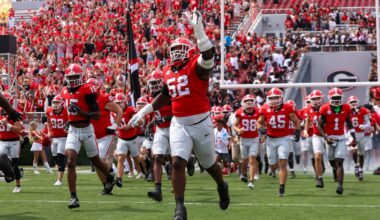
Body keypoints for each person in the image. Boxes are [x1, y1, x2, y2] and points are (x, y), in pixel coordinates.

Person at [129, 9, 230, 220]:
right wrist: (144, 112)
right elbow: (164, 96)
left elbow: (209, 56)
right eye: (174, 49)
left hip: (201, 122)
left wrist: (199, 31)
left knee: (208, 163)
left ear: (191, 51)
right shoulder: (168, 71)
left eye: (181, 49)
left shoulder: (197, 66)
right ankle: (179, 208)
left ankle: (222, 185)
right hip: (179, 123)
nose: (176, 53)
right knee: (177, 163)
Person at [60, 63, 115, 208]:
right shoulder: (64, 91)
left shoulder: (87, 90)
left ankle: (109, 176)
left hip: (87, 129)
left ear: (81, 77)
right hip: (73, 130)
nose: (72, 80)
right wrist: (68, 120)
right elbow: (68, 111)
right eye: (70, 77)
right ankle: (73, 197)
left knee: (96, 161)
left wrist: (81, 113)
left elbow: (96, 115)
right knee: (70, 162)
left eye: (75, 77)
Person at [257, 88, 300, 197]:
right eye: (272, 98)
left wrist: (298, 132)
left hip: (284, 138)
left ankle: (282, 188)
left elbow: (296, 122)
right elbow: (259, 122)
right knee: (273, 165)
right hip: (271, 139)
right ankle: (273, 170)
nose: (274, 100)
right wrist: (261, 129)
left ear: (281, 97)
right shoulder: (265, 108)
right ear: (268, 99)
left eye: (276, 98)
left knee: (282, 163)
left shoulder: (287, 107)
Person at [317, 87, 356, 195]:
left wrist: (354, 137)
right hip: (330, 137)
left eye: (338, 97)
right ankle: (334, 169)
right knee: (332, 160)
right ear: (329, 98)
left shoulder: (346, 107)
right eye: (334, 97)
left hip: (341, 138)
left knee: (339, 161)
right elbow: (319, 126)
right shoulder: (324, 108)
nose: (336, 99)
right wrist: (326, 138)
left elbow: (349, 123)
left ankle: (340, 185)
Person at [87, 78, 123, 193]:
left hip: (105, 135)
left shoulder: (103, 98)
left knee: (100, 159)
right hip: (93, 136)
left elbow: (119, 111)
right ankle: (107, 184)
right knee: (96, 162)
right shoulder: (85, 100)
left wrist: (115, 125)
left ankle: (110, 171)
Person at [146, 70, 173, 202]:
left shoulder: (168, 96)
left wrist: (165, 118)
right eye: (151, 83)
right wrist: (150, 125)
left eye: (156, 83)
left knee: (176, 159)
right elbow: (156, 115)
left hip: (174, 128)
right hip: (160, 130)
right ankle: (158, 190)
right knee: (157, 157)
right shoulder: (151, 98)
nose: (153, 86)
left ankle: (189, 161)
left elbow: (179, 112)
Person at [114, 93, 142, 187]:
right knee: (121, 158)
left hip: (132, 138)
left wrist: (130, 126)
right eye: (116, 103)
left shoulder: (131, 110)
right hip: (121, 138)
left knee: (136, 158)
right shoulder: (114, 110)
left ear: (125, 102)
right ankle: (119, 178)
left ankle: (142, 171)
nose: (118, 105)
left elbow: (140, 121)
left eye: (120, 103)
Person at [233, 94, 260, 189]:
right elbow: (234, 125)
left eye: (250, 101)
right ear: (243, 103)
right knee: (244, 160)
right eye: (247, 102)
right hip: (244, 139)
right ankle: (243, 174)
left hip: (254, 138)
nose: (249, 104)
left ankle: (251, 181)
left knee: (252, 159)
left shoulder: (258, 112)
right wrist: (238, 130)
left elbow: (262, 123)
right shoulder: (239, 113)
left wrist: (262, 129)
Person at [0, 92, 23, 193]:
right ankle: (8, 175)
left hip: (14, 141)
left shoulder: (14, 113)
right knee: (2, 162)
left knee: (15, 164)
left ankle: (18, 185)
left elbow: (18, 129)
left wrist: (7, 125)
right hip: (2, 141)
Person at [304, 90, 326, 188]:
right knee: (317, 157)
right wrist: (305, 129)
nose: (316, 101)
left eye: (318, 98)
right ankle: (319, 177)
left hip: (329, 135)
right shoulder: (309, 109)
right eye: (314, 99)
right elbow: (308, 119)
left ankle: (334, 169)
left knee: (332, 158)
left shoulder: (327, 107)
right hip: (316, 135)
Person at [347, 96, 370, 181]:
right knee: (354, 149)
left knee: (361, 153)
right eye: (351, 102)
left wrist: (364, 126)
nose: (353, 103)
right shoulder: (346, 111)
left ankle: (361, 169)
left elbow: (368, 122)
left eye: (354, 101)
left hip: (360, 134)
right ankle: (356, 165)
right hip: (351, 133)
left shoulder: (363, 110)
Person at [46, 95, 69, 186]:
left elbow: (71, 121)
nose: (55, 104)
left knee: (60, 157)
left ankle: (59, 180)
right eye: (54, 102)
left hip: (63, 137)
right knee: (55, 156)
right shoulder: (49, 111)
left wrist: (68, 129)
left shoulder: (66, 112)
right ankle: (62, 166)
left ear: (62, 103)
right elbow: (48, 121)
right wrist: (48, 131)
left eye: (57, 102)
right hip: (54, 138)